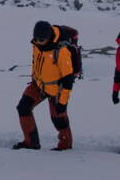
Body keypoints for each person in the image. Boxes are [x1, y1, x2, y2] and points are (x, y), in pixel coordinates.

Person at [13, 21, 79, 151]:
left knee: (58, 118)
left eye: (41, 39)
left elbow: (68, 79)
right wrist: (34, 79)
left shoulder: (61, 50)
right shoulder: (36, 44)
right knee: (23, 107)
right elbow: (36, 61)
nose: (38, 41)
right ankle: (31, 143)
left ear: (48, 37)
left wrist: (63, 102)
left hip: (56, 90)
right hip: (39, 85)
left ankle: (65, 146)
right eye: (36, 38)